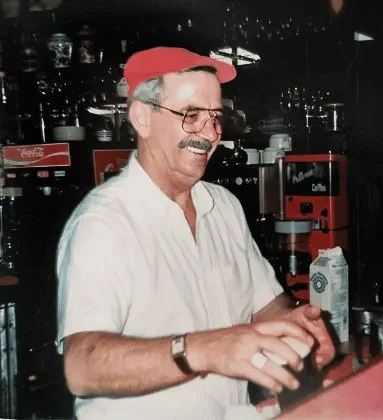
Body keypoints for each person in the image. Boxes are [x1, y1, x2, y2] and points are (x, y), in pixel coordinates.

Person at [56, 46, 335, 419]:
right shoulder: (103, 224)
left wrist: (295, 325)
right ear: (142, 117)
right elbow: (82, 367)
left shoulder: (224, 207)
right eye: (191, 115)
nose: (210, 133)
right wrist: (204, 349)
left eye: (216, 117)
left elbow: (264, 304)